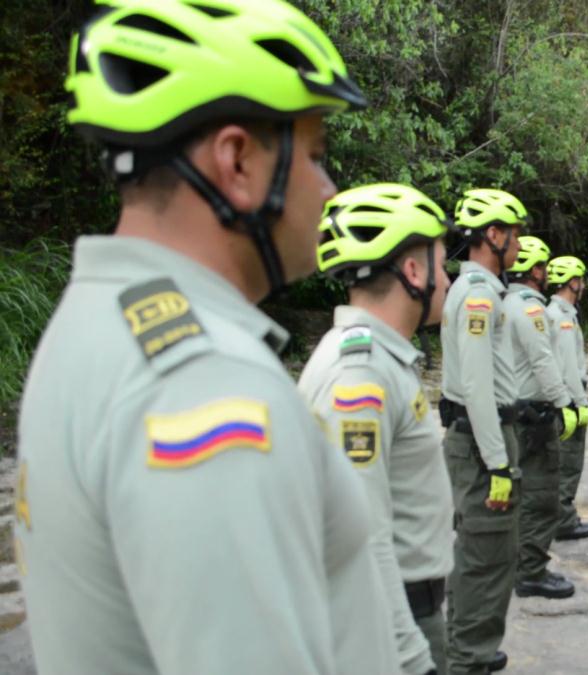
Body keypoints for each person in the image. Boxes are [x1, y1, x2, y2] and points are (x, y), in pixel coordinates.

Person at [15, 2, 406, 674]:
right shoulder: (207, 383)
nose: (330, 186)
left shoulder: (92, 323)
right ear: (237, 162)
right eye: (314, 155)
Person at [298, 184, 454, 675]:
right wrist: (409, 656)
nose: (449, 281)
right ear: (413, 272)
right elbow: (363, 535)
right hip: (395, 620)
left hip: (407, 607)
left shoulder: (382, 360)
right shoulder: (359, 375)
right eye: (442, 265)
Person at [439, 188, 526, 675]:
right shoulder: (477, 297)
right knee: (487, 554)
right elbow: (475, 386)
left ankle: (469, 645)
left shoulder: (482, 291)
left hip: (480, 438)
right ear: (493, 235)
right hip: (480, 442)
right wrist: (497, 462)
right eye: (514, 235)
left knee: (483, 549)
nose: (518, 245)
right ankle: (467, 657)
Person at [502, 236, 583, 601]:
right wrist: (567, 403)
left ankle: (519, 563)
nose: (548, 273)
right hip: (533, 414)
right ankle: (531, 571)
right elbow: (544, 361)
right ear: (535, 270)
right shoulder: (531, 309)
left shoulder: (503, 302)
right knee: (541, 496)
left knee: (521, 494)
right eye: (544, 267)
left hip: (512, 409)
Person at [546, 255, 588, 542]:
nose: (584, 286)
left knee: (558, 461)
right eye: (581, 281)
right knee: (569, 462)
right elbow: (568, 368)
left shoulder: (552, 312)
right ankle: (563, 520)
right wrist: (581, 404)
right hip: (568, 400)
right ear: (573, 282)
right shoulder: (563, 319)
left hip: (559, 399)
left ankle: (559, 515)